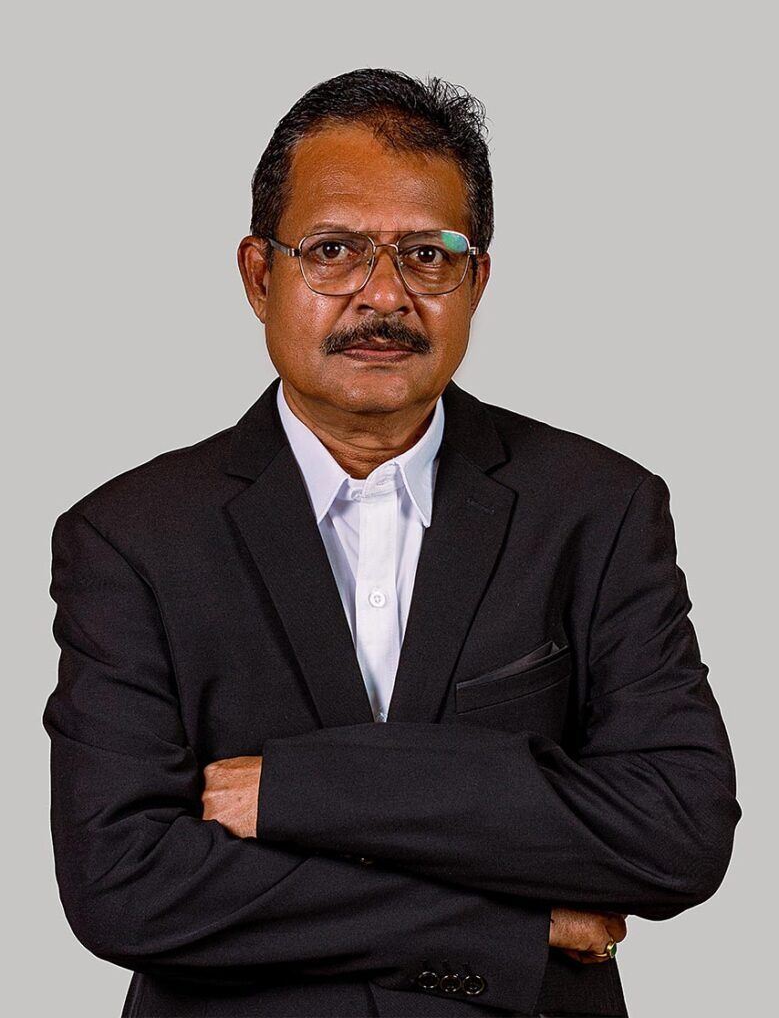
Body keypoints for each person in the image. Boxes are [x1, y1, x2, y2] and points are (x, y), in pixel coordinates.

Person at [42, 68, 741, 1018]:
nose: (384, 296)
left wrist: (305, 790)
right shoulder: (130, 536)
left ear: (476, 279)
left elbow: (675, 832)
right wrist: (507, 927)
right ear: (259, 277)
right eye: (332, 251)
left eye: (426, 254)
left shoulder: (598, 508)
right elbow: (123, 885)